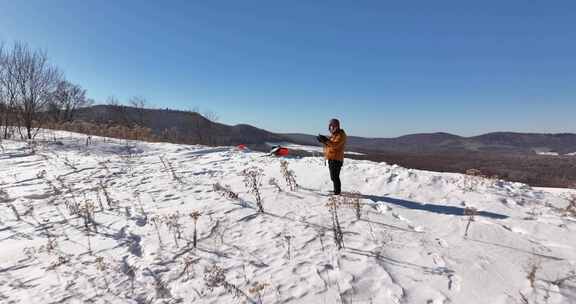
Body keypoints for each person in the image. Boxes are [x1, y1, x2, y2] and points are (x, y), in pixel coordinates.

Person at [316, 119, 347, 195]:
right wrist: (323, 140)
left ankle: (337, 193)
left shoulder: (341, 135)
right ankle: (336, 191)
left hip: (336, 159)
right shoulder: (335, 134)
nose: (331, 128)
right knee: (333, 177)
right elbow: (330, 145)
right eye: (330, 127)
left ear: (337, 126)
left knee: (335, 177)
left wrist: (326, 140)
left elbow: (335, 145)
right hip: (332, 158)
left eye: (332, 127)